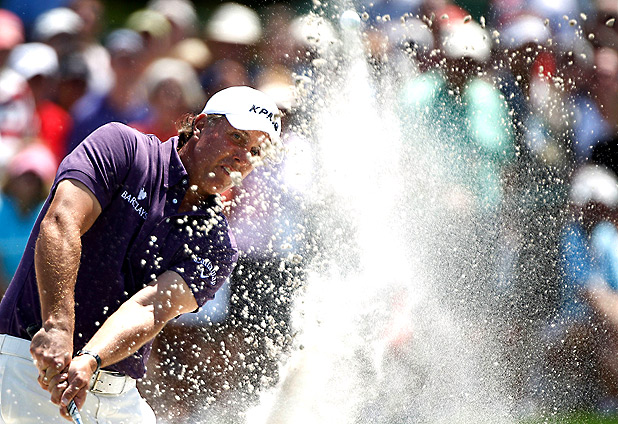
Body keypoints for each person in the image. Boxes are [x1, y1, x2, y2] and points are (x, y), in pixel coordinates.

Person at [0, 85, 282, 423]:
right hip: (30, 364)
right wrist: (58, 327)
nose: (243, 158)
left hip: (115, 391)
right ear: (201, 125)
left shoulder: (218, 244)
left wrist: (90, 359)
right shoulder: (122, 147)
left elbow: (149, 308)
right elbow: (61, 223)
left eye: (255, 151)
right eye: (237, 138)